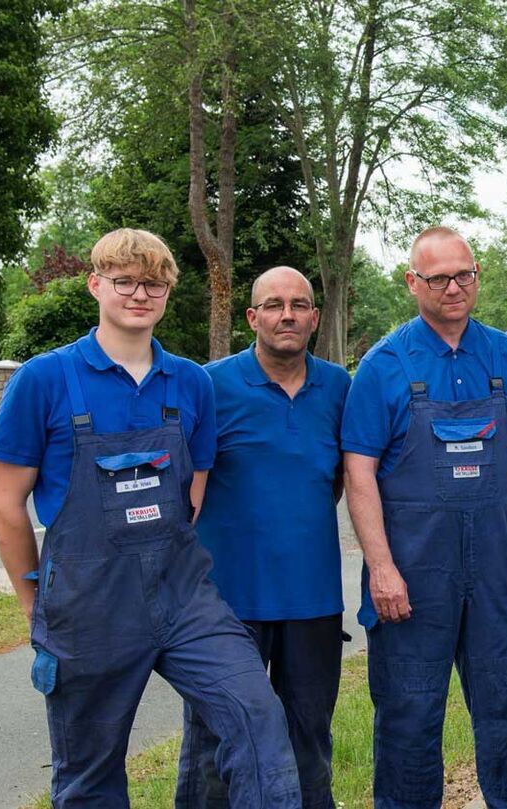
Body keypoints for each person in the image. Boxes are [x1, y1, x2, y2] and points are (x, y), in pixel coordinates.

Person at [0, 228, 299, 807]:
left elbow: (192, 495)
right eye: (124, 281)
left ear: (168, 292)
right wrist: (36, 602)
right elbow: (4, 504)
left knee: (257, 717)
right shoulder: (45, 380)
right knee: (90, 776)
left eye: (154, 284)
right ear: (95, 285)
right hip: (89, 608)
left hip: (183, 597)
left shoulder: (190, 383)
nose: (139, 294)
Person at [342, 227, 507, 808]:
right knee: (409, 715)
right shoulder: (384, 365)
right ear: (413, 282)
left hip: (496, 568)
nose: (455, 288)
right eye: (439, 279)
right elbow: (358, 473)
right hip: (413, 572)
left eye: (465, 275)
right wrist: (381, 568)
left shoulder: (506, 354)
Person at [176, 267, 351, 809]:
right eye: (274, 305)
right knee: (218, 747)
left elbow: (338, 481)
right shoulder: (209, 386)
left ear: (315, 318)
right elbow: (185, 491)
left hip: (313, 601)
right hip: (227, 605)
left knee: (309, 744)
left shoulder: (339, 388)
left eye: (299, 305)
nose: (287, 315)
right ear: (252, 317)